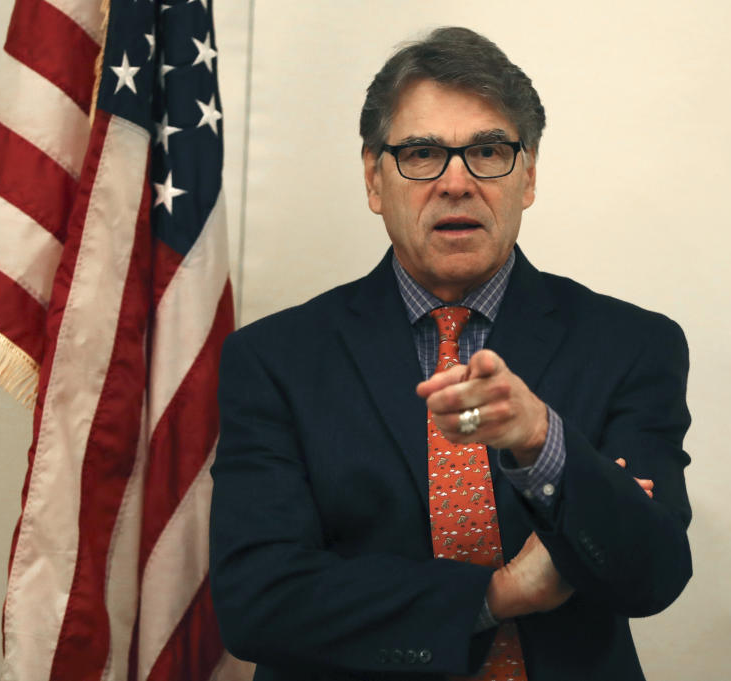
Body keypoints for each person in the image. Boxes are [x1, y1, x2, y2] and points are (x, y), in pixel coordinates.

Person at [210, 26, 692, 681]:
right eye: (421, 153)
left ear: (528, 177)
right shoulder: (274, 361)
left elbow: (651, 574)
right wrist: (497, 596)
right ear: (374, 180)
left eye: (489, 150)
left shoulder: (632, 345)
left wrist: (544, 441)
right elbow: (257, 604)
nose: (457, 182)